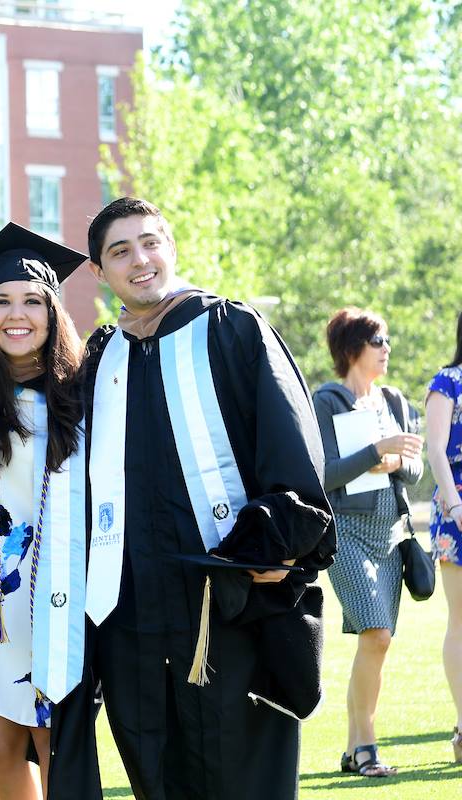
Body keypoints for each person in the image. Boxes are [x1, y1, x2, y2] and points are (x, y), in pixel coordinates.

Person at [82, 197, 335, 800]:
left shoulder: (231, 329)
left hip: (230, 605)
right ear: (99, 271)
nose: (140, 260)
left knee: (244, 773)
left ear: (170, 247)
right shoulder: (100, 358)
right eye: (120, 251)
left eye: (150, 242)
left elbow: (291, 449)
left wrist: (277, 551)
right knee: (157, 775)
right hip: (135, 619)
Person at [0, 223, 101, 800]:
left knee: (58, 748)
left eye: (33, 301)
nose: (17, 314)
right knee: (3, 754)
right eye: (1, 301)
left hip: (60, 598)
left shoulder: (85, 394)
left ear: (54, 312)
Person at [312, 307, 423, 777]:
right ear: (352, 348)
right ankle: (367, 748)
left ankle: (355, 747)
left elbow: (416, 468)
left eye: (388, 341)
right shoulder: (328, 401)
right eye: (378, 341)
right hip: (348, 533)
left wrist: (397, 463)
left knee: (378, 643)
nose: (386, 349)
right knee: (374, 632)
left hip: (391, 532)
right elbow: (323, 473)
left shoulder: (394, 401)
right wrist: (376, 452)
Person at [424, 309, 462, 763]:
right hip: (458, 504)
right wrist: (454, 504)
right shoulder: (447, 380)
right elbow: (436, 447)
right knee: (461, 620)